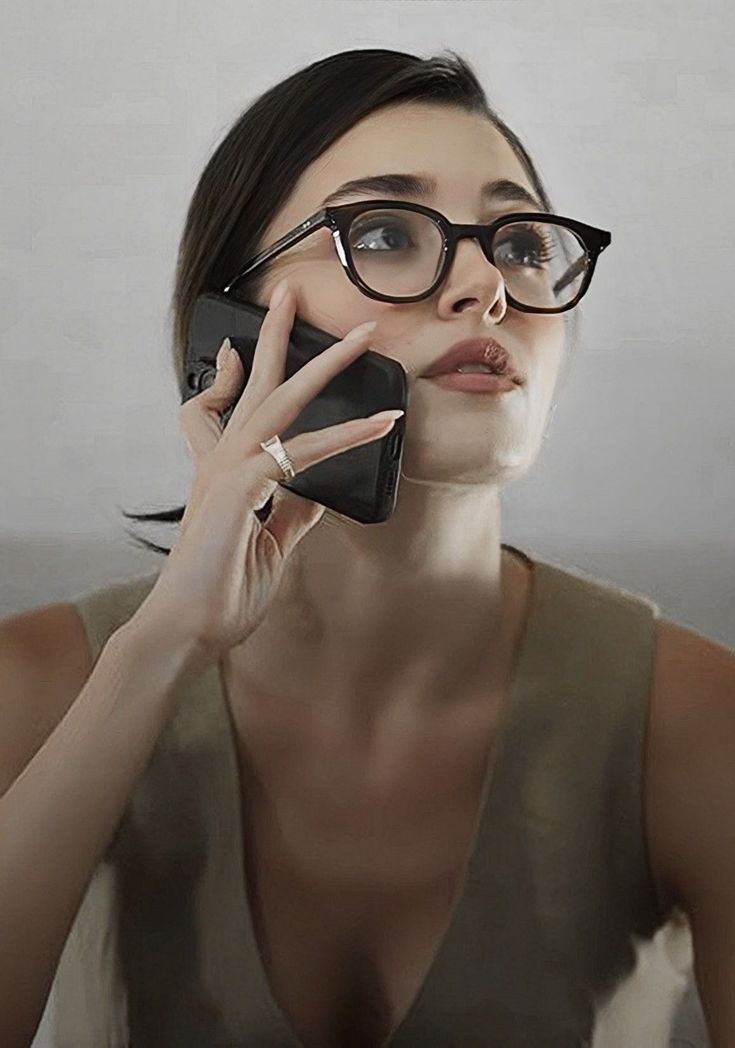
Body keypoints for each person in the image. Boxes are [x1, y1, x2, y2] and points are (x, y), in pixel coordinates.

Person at [1, 47, 732, 1048]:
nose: (487, 285)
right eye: (385, 231)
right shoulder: (31, 689)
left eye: (520, 244)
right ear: (232, 328)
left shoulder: (701, 727)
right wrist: (160, 646)